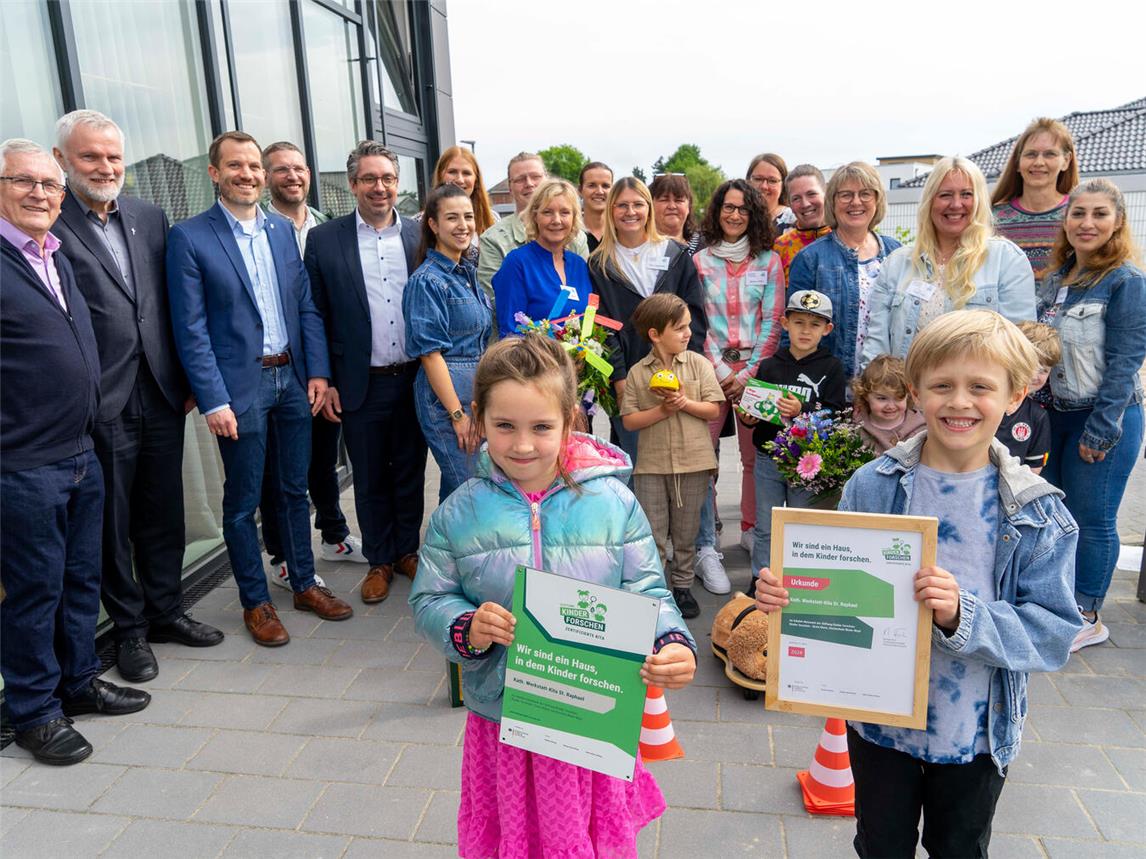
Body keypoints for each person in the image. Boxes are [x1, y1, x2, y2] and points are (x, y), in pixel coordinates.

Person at [755, 310, 1081, 859]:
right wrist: (789, 598)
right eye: (942, 385)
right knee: (880, 845)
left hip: (974, 735)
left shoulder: (1037, 513)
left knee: (959, 849)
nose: (959, 402)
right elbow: (840, 588)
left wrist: (963, 615)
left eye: (980, 387)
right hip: (879, 729)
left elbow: (1051, 634)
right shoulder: (872, 484)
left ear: (1015, 394)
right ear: (915, 392)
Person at [409, 334, 697, 858]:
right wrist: (466, 628)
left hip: (591, 717)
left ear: (570, 418)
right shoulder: (459, 511)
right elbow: (429, 598)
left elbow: (646, 589)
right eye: (504, 426)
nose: (522, 445)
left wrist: (672, 642)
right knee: (511, 842)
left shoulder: (613, 502)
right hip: (503, 722)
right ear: (478, 417)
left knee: (585, 840)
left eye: (541, 427)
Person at [52, 110, 222, 684]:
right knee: (112, 522)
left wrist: (190, 380)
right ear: (62, 161)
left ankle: (166, 610)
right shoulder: (52, 223)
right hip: (101, 398)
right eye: (90, 157)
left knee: (162, 510)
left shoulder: (151, 217)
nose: (105, 167)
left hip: (161, 390)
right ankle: (127, 631)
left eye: (113, 157)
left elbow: (168, 304)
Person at [168, 131, 353, 647]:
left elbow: (306, 307)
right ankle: (256, 601)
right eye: (236, 166)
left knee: (296, 490)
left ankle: (303, 582)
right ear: (214, 173)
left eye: (253, 166)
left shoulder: (278, 230)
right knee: (242, 501)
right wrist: (213, 399)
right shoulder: (191, 237)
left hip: (291, 380)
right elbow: (192, 328)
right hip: (239, 389)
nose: (246, 174)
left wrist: (317, 373)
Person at [2, 138, 150, 765]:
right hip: (22, 463)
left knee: (79, 579)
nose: (41, 193)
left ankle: (79, 681)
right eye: (24, 182)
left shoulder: (54, 255)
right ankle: (34, 711)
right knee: (35, 590)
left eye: (49, 184)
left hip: (79, 452)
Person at [306, 140, 426, 606]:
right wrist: (324, 377)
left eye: (389, 179)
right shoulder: (325, 239)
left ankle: (406, 551)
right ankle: (378, 559)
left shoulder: (419, 235)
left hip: (414, 377)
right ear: (353, 184)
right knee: (370, 474)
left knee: (411, 470)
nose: (380, 187)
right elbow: (313, 313)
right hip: (359, 380)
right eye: (370, 179)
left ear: (398, 185)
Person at [1038, 178, 1146, 651]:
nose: (1087, 223)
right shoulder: (1057, 278)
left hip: (1104, 417)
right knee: (1057, 516)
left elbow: (1125, 363)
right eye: (1078, 213)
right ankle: (1059, 604)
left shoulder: (1126, 281)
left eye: (1099, 214)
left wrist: (1102, 431)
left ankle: (1088, 613)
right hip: (1056, 414)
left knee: (1093, 517)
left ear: (1117, 221)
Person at [259, 140, 364, 589]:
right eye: (281, 170)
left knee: (323, 455)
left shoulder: (325, 227)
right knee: (280, 467)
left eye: (299, 168)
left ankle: (333, 534)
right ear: (267, 178)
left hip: (321, 361)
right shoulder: (258, 226)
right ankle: (283, 554)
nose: (293, 177)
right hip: (278, 363)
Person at [861, 156, 1036, 366]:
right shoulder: (897, 264)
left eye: (966, 194)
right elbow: (876, 348)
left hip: (973, 396)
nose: (956, 204)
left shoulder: (1006, 260)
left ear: (979, 200)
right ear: (930, 201)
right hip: (905, 396)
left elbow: (1018, 346)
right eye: (945, 195)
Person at [694, 178, 785, 568]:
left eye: (743, 209)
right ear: (717, 212)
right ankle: (707, 539)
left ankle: (751, 529)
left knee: (754, 459)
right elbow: (697, 321)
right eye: (728, 208)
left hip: (756, 372)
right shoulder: (699, 262)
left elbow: (773, 322)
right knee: (705, 457)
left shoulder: (769, 261)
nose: (734, 215)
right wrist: (719, 370)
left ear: (754, 215)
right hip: (709, 369)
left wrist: (747, 375)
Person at [590, 176, 708, 463]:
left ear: (648, 209)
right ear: (611, 211)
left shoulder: (675, 254)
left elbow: (695, 319)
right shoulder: (598, 263)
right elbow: (602, 329)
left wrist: (687, 371)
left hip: (676, 379)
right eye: (622, 205)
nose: (630, 212)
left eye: (638, 204)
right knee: (637, 468)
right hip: (629, 379)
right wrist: (618, 379)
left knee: (685, 465)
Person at [621, 294, 724, 618]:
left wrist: (684, 404)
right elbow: (629, 420)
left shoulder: (699, 364)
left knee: (686, 530)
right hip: (651, 465)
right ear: (655, 334)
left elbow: (713, 409)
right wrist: (662, 410)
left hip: (693, 461)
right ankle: (657, 590)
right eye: (679, 328)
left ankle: (682, 586)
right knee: (653, 532)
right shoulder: (638, 373)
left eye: (687, 327)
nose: (687, 333)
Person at [736, 290, 846, 590]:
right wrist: (748, 417)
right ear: (785, 323)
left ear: (827, 329)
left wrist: (803, 410)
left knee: (800, 525)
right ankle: (760, 578)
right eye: (799, 322)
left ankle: (799, 581)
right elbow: (755, 409)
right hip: (768, 456)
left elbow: (837, 415)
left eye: (814, 324)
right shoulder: (771, 365)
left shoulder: (831, 368)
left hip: (806, 462)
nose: (805, 331)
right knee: (767, 525)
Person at [403, 184, 491, 501]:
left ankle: (444, 551)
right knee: (471, 491)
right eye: (452, 217)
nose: (463, 225)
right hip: (446, 401)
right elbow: (430, 355)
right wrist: (457, 415)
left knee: (460, 488)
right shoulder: (428, 281)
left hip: (474, 396)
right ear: (433, 225)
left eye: (468, 216)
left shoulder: (465, 274)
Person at [788, 161, 901, 382]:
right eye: (846, 195)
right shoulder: (811, 258)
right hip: (829, 386)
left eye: (865, 194)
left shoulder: (897, 253)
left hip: (886, 390)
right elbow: (791, 330)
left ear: (877, 200)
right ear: (832, 202)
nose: (856, 202)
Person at [477, 151, 589, 306]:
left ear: (546, 179)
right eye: (520, 179)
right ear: (509, 188)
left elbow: (584, 294)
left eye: (535, 176)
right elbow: (493, 300)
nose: (529, 183)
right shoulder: (493, 240)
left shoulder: (577, 237)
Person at [492, 177, 592, 337]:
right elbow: (511, 332)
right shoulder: (517, 263)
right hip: (531, 360)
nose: (556, 220)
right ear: (535, 216)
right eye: (547, 212)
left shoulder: (579, 265)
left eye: (565, 212)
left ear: (574, 218)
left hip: (576, 362)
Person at [991, 118, 1079, 280]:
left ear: (1066, 161)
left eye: (1050, 154)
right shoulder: (992, 220)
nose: (1039, 162)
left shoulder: (1079, 215)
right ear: (1017, 162)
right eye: (1031, 154)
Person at [414, 145, 498, 265]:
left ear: (476, 180)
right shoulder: (420, 221)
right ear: (440, 175)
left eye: (466, 173)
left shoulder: (492, 219)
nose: (459, 179)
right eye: (452, 172)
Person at [994, 321, 1057, 474]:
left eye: (1043, 370)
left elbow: (1035, 467)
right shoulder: (985, 400)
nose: (1034, 375)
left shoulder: (1037, 416)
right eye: (1029, 365)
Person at [852, 355, 927, 454]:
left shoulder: (922, 429)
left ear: (908, 395)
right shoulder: (856, 430)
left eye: (898, 398)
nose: (891, 406)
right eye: (882, 398)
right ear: (866, 395)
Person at [771, 164, 831, 284]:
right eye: (796, 198)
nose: (805, 204)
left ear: (826, 194)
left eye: (811, 194)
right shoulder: (780, 247)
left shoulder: (844, 239)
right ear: (790, 204)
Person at [650, 172, 702, 255]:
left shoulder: (706, 248)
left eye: (679, 200)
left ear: (689, 206)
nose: (672, 206)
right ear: (651, 205)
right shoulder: (639, 247)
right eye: (664, 200)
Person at [746, 152, 795, 232]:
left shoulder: (793, 220)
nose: (764, 186)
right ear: (748, 180)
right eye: (758, 179)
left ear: (783, 185)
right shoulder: (739, 218)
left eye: (772, 181)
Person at [579, 160, 612, 252]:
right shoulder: (570, 233)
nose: (599, 192)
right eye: (592, 185)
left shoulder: (621, 233)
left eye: (605, 186)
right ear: (580, 190)